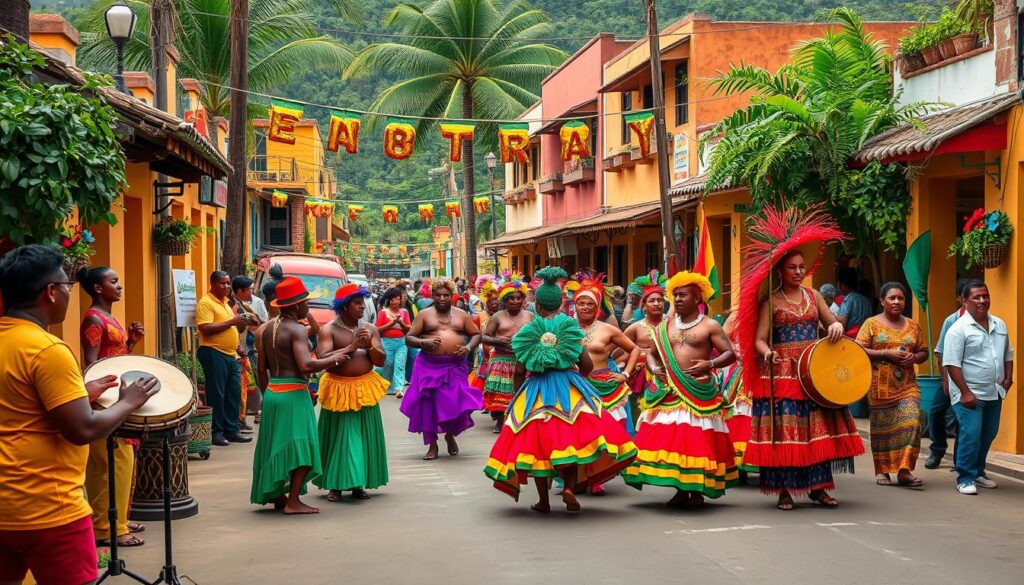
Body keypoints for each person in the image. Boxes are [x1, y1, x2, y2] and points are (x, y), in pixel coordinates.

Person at [0, 245, 157, 585]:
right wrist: (129, 401)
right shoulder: (47, 350)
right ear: (50, 293)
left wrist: (81, 394)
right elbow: (83, 428)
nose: (70, 293)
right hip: (47, 507)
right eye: (66, 285)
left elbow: (17, 405)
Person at [736, 207, 864, 510]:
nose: (797, 271)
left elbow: (832, 321)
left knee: (816, 429)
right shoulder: (771, 301)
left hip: (814, 370)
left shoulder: (814, 296)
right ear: (780, 270)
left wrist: (834, 325)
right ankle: (784, 490)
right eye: (792, 267)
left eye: (800, 267)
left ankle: (819, 488)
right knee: (786, 430)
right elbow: (759, 339)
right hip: (781, 373)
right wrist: (767, 353)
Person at [484, 267, 638, 513]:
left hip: (536, 389)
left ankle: (544, 501)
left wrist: (516, 395)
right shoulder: (570, 328)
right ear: (560, 303)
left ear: (539, 306)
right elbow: (586, 364)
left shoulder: (528, 330)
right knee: (570, 440)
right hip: (568, 386)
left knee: (537, 445)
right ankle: (568, 487)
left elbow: (520, 370)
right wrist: (578, 380)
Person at [624, 272, 738, 506]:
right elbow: (652, 355)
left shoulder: (711, 325)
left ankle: (695, 489)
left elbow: (729, 353)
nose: (676, 299)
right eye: (675, 295)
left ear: (697, 298)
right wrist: (655, 369)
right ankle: (681, 487)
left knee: (695, 439)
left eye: (682, 295)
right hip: (669, 390)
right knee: (673, 440)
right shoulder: (666, 327)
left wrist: (711, 363)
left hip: (698, 390)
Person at [251, 277, 341, 515]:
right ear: (294, 306)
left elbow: (261, 368)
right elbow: (305, 365)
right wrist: (334, 359)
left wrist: (267, 394)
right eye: (304, 303)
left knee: (274, 445)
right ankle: (293, 501)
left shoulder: (266, 328)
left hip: (273, 393)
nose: (307, 307)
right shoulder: (297, 329)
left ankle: (279, 495)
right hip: (293, 393)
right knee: (302, 446)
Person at [79, 267, 146, 547]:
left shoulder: (107, 317)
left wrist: (130, 342)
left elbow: (113, 357)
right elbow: (93, 366)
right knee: (114, 464)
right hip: (107, 401)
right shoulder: (94, 319)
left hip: (116, 399)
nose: (119, 286)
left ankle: (112, 518)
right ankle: (109, 528)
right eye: (113, 281)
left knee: (113, 464)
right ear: (97, 288)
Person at [315, 284, 389, 502]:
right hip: (339, 388)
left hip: (364, 387)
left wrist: (369, 346)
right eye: (357, 304)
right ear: (345, 307)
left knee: (363, 436)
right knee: (343, 437)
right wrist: (352, 346)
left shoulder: (369, 328)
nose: (362, 308)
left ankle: (358, 482)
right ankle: (336, 485)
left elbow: (380, 359)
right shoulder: (328, 329)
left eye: (362, 303)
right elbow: (322, 358)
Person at [569, 271, 640, 495]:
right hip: (576, 385)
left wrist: (625, 374)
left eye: (589, 303)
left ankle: (598, 476)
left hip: (605, 385)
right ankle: (579, 475)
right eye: (580, 303)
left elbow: (634, 349)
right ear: (575, 305)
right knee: (578, 433)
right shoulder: (566, 328)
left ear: (597, 305)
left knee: (602, 434)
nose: (585, 307)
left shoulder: (608, 329)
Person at [943, 282, 1014, 495]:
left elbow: (1007, 353)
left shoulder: (999, 324)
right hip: (969, 393)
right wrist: (965, 392)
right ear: (964, 301)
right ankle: (964, 477)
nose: (982, 300)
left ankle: (978, 471)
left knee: (988, 433)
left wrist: (1008, 378)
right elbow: (951, 363)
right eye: (976, 297)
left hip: (995, 391)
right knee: (970, 434)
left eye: (985, 296)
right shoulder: (958, 329)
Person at [856, 282, 929, 488]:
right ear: (882, 301)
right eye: (892, 298)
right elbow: (858, 349)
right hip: (879, 387)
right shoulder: (871, 324)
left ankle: (905, 470)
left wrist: (914, 357)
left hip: (907, 385)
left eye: (900, 298)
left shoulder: (913, 325)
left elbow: (924, 351)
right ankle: (883, 471)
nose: (897, 302)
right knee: (882, 430)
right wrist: (885, 353)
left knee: (912, 421)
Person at [401, 279, 483, 460]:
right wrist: (424, 342)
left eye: (446, 295)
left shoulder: (462, 314)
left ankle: (450, 435)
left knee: (455, 402)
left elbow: (476, 334)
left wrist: (468, 348)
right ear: (432, 296)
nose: (442, 298)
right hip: (428, 365)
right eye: (438, 295)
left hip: (455, 365)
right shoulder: (424, 314)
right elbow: (409, 338)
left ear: (452, 296)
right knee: (428, 405)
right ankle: (432, 444)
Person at [925, 277, 977, 469]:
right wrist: (945, 381)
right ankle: (937, 450)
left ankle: (960, 461)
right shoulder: (952, 321)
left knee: (962, 418)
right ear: (960, 299)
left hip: (973, 379)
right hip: (950, 377)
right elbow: (941, 352)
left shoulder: (985, 320)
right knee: (936, 411)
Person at [197, 270, 253, 447]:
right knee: (217, 394)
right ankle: (217, 432)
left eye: (228, 283)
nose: (227, 286)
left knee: (233, 394)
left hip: (230, 354)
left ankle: (232, 430)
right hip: (214, 352)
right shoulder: (206, 303)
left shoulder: (225, 304)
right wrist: (232, 322)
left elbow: (229, 329)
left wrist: (237, 346)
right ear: (212, 284)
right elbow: (205, 328)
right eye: (223, 283)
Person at [481, 279, 534, 433]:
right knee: (501, 393)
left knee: (519, 391)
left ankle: (520, 419)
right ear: (505, 300)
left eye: (518, 298)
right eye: (511, 298)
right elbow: (484, 337)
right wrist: (499, 340)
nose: (515, 301)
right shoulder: (497, 316)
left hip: (523, 359)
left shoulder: (530, 316)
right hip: (502, 358)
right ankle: (500, 421)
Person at [622, 270, 667, 396]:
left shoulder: (673, 324)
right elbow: (620, 351)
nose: (656, 304)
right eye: (652, 301)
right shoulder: (636, 327)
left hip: (667, 374)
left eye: (660, 300)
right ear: (644, 306)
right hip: (640, 379)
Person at [233, 275, 267, 424]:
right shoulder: (234, 304)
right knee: (242, 386)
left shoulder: (254, 303)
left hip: (248, 348)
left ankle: (252, 412)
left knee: (251, 382)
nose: (251, 293)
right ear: (240, 291)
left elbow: (260, 322)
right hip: (238, 349)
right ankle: (241, 418)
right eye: (248, 290)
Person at [376, 288, 411, 398]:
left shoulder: (404, 313)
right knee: (388, 364)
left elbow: (408, 329)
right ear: (389, 301)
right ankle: (385, 385)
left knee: (400, 365)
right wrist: (391, 324)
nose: (395, 301)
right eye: (392, 299)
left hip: (401, 343)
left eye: (397, 299)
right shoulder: (383, 312)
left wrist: (400, 323)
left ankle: (398, 389)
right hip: (386, 343)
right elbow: (378, 330)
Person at [835, 267, 871, 337]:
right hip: (865, 338)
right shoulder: (867, 300)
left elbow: (841, 323)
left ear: (841, 285)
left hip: (851, 340)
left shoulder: (848, 299)